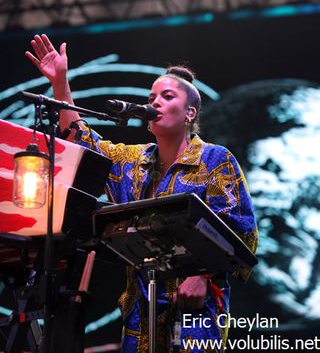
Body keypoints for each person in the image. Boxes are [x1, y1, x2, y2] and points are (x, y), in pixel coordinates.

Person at [26, 34, 258, 353]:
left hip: (195, 313)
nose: (155, 103)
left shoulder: (215, 160)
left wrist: (202, 275)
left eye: (167, 96)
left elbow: (241, 232)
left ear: (190, 113)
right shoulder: (134, 163)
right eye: (152, 97)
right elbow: (84, 142)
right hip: (140, 314)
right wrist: (60, 82)